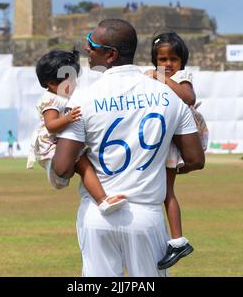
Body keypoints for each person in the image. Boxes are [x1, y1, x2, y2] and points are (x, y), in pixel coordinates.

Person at [52, 19, 205, 277]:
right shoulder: (169, 95)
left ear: (111, 55)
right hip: (146, 217)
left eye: (93, 44)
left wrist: (76, 159)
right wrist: (158, 167)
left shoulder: (83, 97)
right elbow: (195, 158)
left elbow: (62, 167)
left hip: (98, 215)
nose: (88, 49)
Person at [26, 49, 126, 214]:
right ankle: (102, 200)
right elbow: (51, 125)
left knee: (86, 164)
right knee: (84, 164)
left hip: (59, 145)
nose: (74, 84)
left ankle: (103, 197)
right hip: (51, 150)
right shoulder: (50, 100)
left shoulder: (63, 98)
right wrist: (68, 118)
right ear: (52, 83)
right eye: (69, 81)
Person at [146, 31, 209, 270]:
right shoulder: (152, 76)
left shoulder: (182, 76)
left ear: (182, 61)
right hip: (163, 135)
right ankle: (169, 238)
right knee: (162, 190)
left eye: (173, 59)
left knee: (166, 192)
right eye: (162, 60)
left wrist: (160, 78)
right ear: (155, 60)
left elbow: (188, 97)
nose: (168, 64)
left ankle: (177, 240)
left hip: (177, 137)